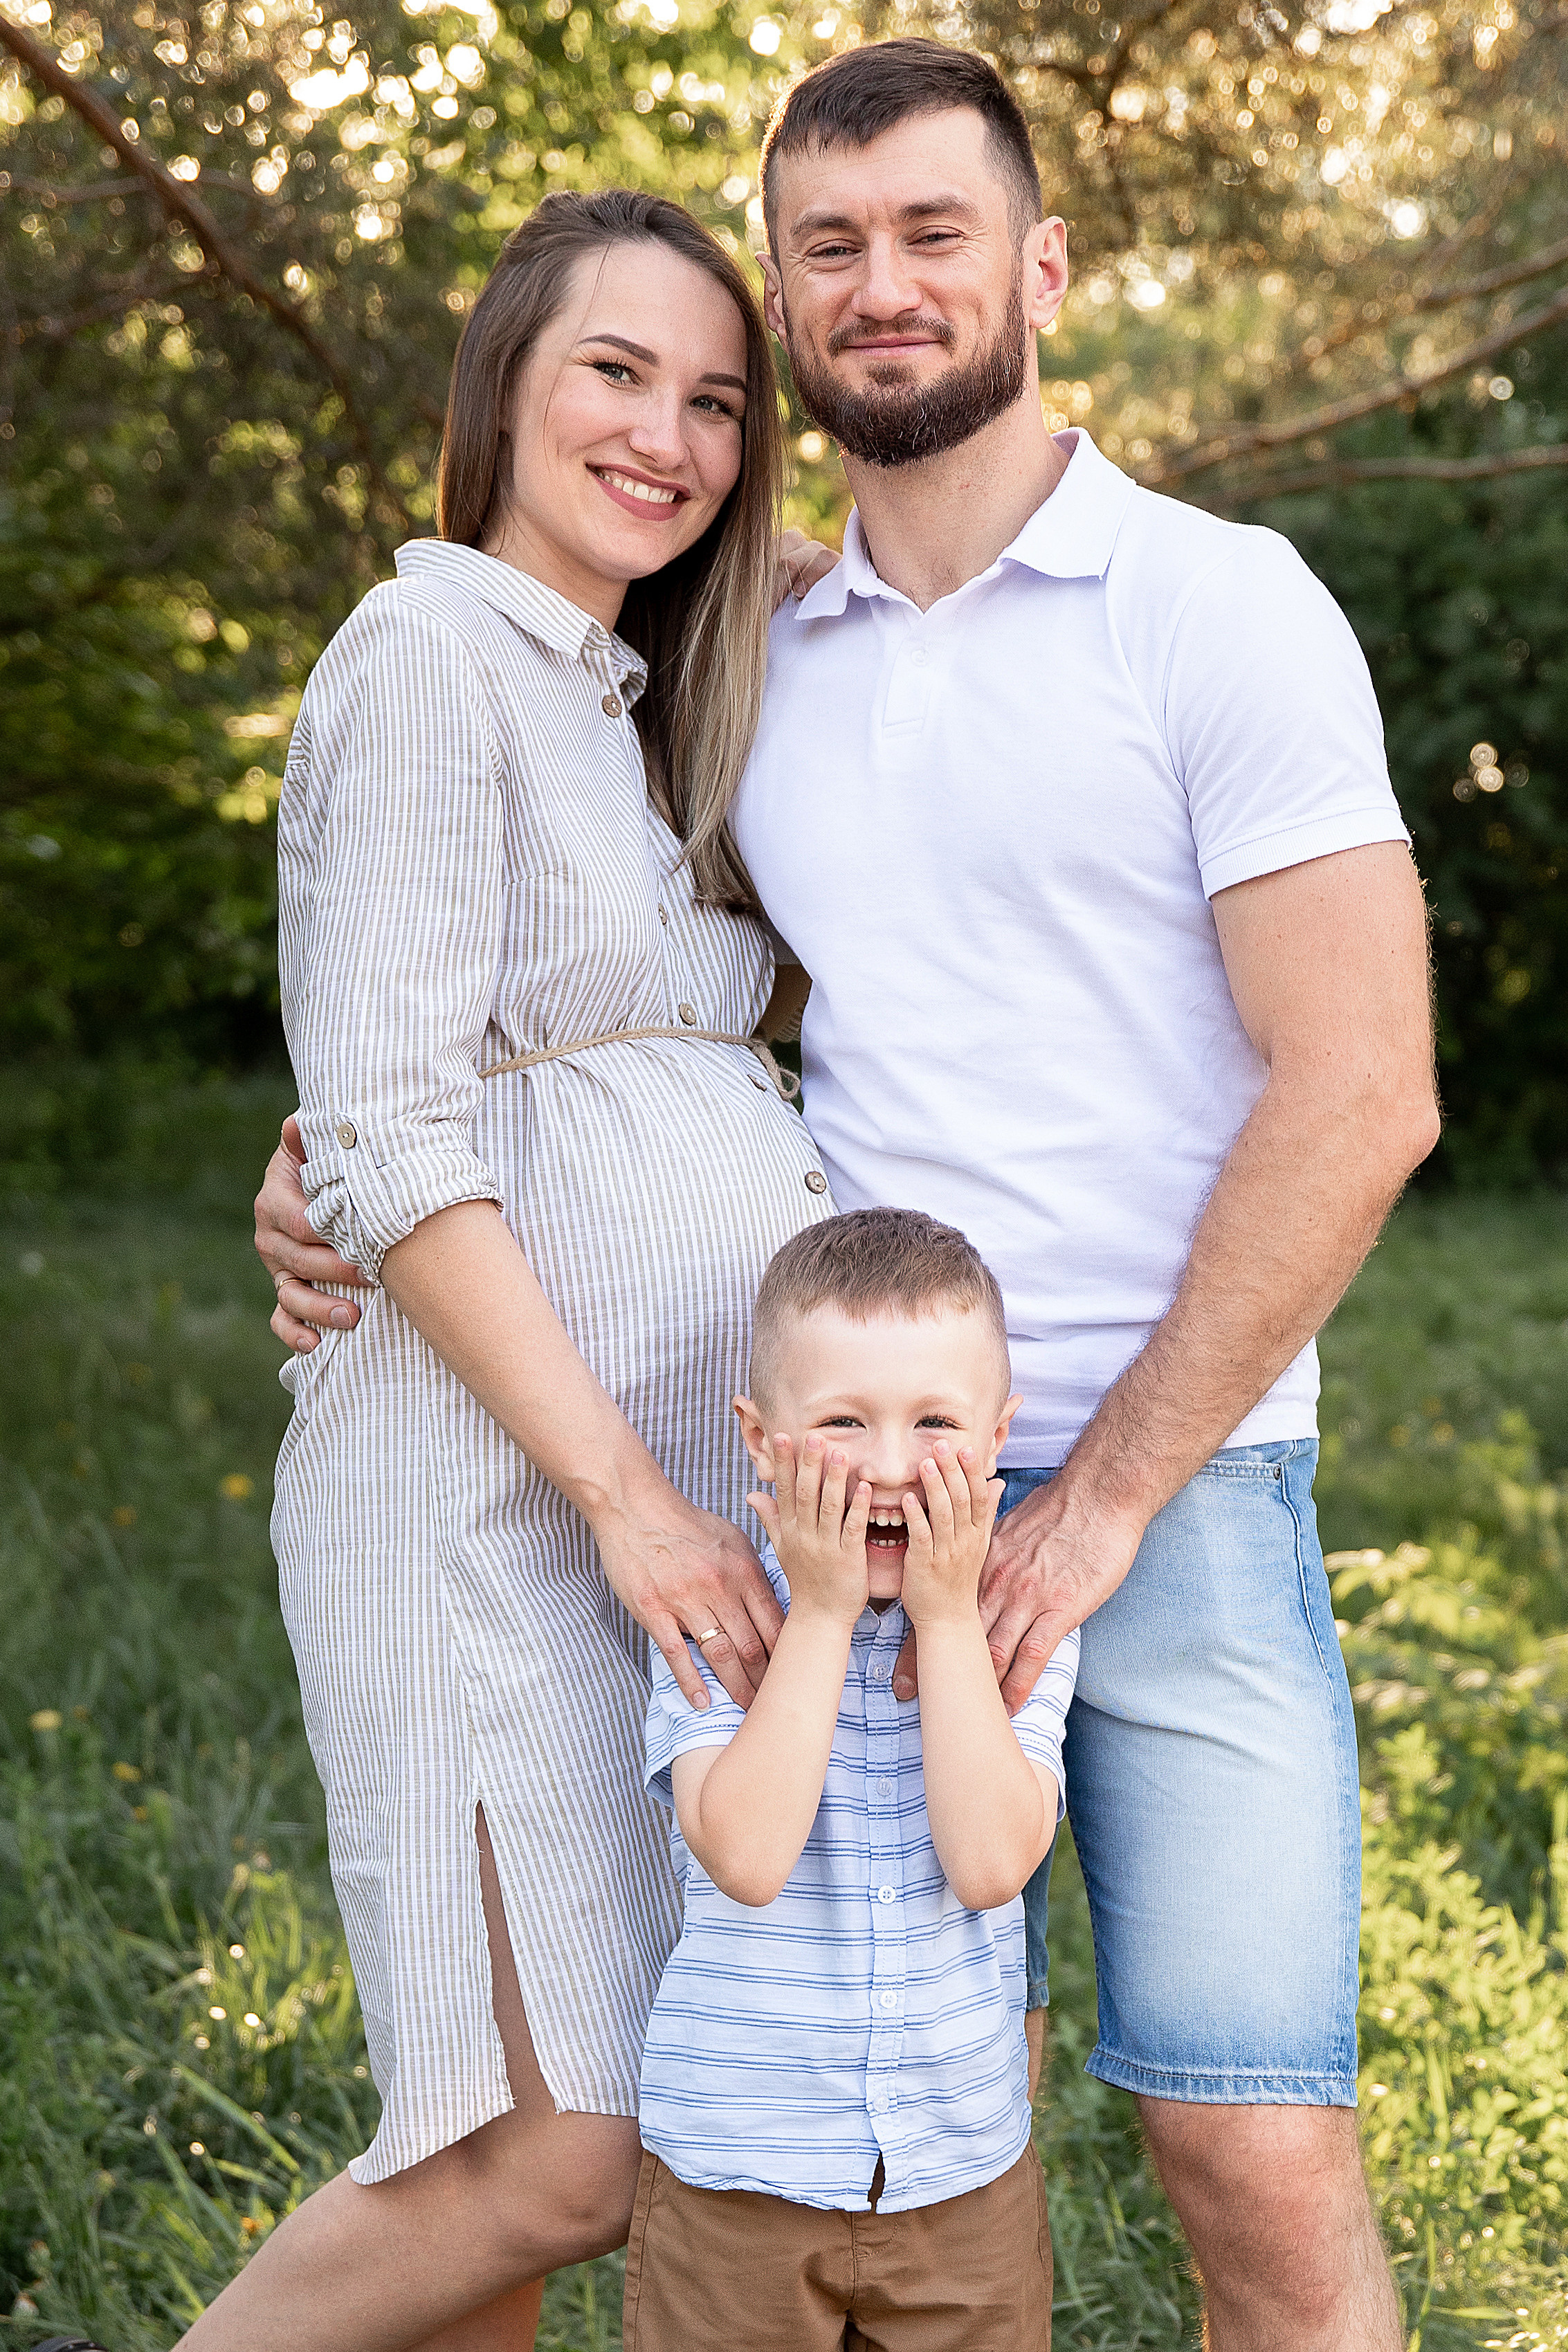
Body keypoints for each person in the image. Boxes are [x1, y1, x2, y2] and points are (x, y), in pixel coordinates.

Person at [257, 37, 1441, 2350]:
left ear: (1041, 266)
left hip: (1165, 1478)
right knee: (808, 2112)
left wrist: (1095, 1499)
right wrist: (323, 1165)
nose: (881, 285)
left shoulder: (1211, 604)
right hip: (808, 1478)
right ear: (791, 305)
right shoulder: (740, 646)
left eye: (932, 232)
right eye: (828, 249)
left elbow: (1362, 1088)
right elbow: (496, 984)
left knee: (1246, 2138)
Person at [199, 188, 839, 2352]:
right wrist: (632, 1505)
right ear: (501, 385)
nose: (669, 434)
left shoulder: (623, 694)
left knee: (510, 2153)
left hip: (631, 1495)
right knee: (545, 2150)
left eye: (717, 402)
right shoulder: (424, 653)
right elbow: (383, 1123)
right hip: (495, 1500)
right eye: (615, 371)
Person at [626, 1208, 1079, 2352]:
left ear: (996, 1438)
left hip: (957, 2178)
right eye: (841, 1422)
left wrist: (943, 1614)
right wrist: (821, 1614)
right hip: (738, 2180)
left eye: (934, 1421)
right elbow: (746, 1855)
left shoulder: (1013, 1623)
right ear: (761, 1439)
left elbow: (988, 1867)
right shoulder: (721, 1615)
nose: (888, 1465)